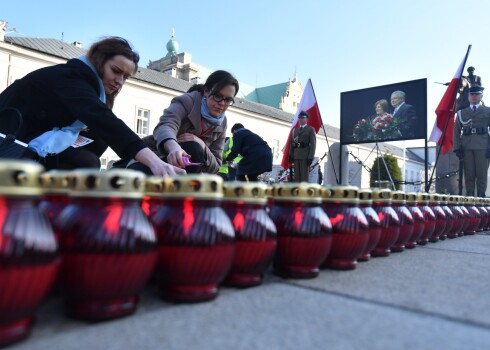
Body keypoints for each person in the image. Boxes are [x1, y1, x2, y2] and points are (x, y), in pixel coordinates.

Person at [0, 36, 183, 176]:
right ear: (99, 61)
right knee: (88, 161)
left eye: (125, 77)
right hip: (9, 139)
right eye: (116, 71)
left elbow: (103, 125)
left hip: (25, 136)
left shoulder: (90, 87)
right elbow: (103, 120)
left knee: (97, 140)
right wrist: (155, 163)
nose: (119, 82)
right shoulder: (71, 77)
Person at [129, 70, 239, 175]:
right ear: (206, 91)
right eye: (218, 96)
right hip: (158, 156)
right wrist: (173, 147)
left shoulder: (222, 123)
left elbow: (216, 165)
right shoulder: (187, 101)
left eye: (228, 100)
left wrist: (202, 145)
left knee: (195, 148)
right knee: (193, 148)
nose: (222, 103)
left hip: (192, 170)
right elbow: (166, 125)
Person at [453, 85, 490, 197]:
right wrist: (457, 147)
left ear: (481, 96)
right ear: (468, 96)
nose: (474, 97)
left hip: (483, 147)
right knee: (468, 174)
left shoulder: (488, 111)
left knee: (481, 174)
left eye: (476, 94)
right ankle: (469, 199)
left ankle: (481, 199)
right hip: (466, 147)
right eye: (471, 94)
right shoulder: (461, 113)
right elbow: (456, 131)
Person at [289, 111, 316, 182]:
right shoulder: (295, 130)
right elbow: (292, 144)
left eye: (302, 118)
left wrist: (310, 157)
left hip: (305, 156)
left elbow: (313, 144)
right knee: (297, 177)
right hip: (296, 155)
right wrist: (291, 155)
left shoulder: (310, 129)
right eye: (299, 118)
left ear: (307, 119)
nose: (300, 119)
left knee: (304, 177)